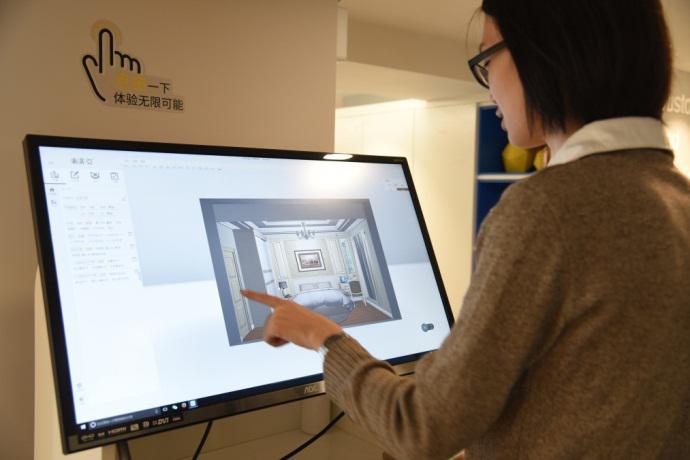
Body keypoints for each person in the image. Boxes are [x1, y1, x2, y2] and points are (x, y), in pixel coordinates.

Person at [242, 0, 690, 458]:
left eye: (488, 57)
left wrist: (321, 336)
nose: (488, 84)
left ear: (545, 53)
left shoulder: (548, 209)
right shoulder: (677, 198)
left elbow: (422, 427)